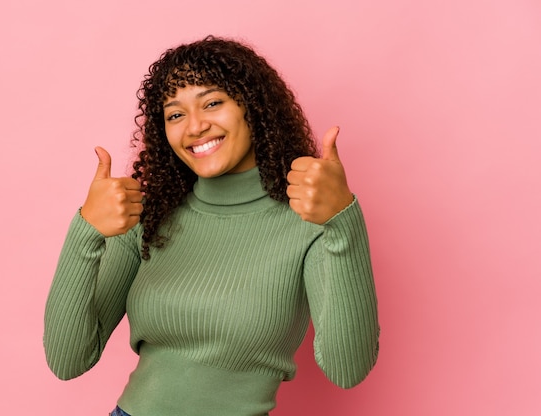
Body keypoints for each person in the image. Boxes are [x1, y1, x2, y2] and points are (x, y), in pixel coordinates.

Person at [44, 35, 379, 416]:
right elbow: (68, 361)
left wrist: (343, 220)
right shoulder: (150, 216)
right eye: (175, 114)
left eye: (212, 103)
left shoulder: (311, 221)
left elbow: (348, 368)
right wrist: (85, 232)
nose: (195, 126)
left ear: (253, 107)